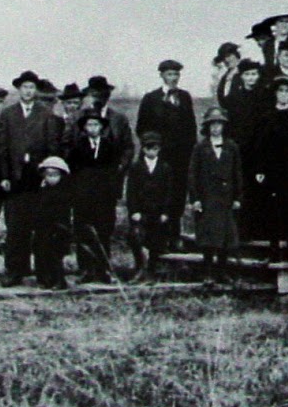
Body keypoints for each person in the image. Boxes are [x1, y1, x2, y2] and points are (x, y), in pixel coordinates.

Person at [0, 69, 63, 287]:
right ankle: (14, 271)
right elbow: (2, 149)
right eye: (24, 87)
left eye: (32, 87)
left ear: (36, 91)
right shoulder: (8, 114)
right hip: (16, 178)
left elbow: (53, 146)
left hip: (38, 178)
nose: (28, 91)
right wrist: (5, 176)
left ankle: (44, 273)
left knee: (43, 226)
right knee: (16, 227)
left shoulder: (46, 114)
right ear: (18, 90)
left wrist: (48, 173)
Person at [249, 76, 288, 264]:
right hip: (272, 169)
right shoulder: (266, 117)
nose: (284, 95)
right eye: (280, 91)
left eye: (287, 91)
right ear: (275, 94)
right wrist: (260, 168)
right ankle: (274, 249)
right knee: (272, 209)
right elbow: (259, 145)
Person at [135, 59, 198, 250]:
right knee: (156, 194)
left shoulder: (184, 97)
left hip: (180, 158)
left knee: (177, 194)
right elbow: (141, 128)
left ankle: (175, 236)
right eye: (169, 74)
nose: (173, 78)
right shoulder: (151, 98)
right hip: (159, 156)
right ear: (161, 75)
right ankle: (155, 241)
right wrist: (152, 147)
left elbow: (191, 127)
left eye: (176, 75)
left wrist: (189, 151)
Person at [187, 107, 243, 286]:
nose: (216, 128)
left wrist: (237, 198)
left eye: (219, 124)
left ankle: (222, 271)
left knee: (226, 238)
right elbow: (192, 174)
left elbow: (238, 174)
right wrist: (195, 199)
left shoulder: (232, 147)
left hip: (226, 198)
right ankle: (208, 273)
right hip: (207, 197)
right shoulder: (200, 147)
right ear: (208, 126)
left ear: (224, 126)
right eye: (213, 124)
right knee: (209, 237)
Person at [68, 109, 122, 283]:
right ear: (84, 128)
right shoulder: (78, 147)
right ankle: (85, 270)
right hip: (83, 198)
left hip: (104, 198)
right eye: (89, 124)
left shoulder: (110, 146)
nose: (92, 128)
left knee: (103, 232)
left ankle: (104, 269)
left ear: (101, 127)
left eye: (96, 124)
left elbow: (115, 173)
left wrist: (113, 194)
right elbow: (73, 173)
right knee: (84, 232)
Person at [125, 130, 175, 281]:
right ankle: (140, 267)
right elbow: (131, 191)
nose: (151, 151)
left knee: (156, 241)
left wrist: (165, 212)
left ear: (159, 149)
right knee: (136, 238)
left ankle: (152, 270)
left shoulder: (165, 168)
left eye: (155, 148)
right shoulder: (136, 167)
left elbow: (169, 192)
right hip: (141, 211)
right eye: (148, 148)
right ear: (143, 149)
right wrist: (134, 211)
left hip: (158, 212)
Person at [32, 156, 74, 290]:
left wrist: (62, 227)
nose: (51, 178)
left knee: (55, 255)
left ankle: (59, 280)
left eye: (55, 175)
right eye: (48, 175)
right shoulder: (41, 190)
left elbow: (64, 213)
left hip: (58, 229)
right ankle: (45, 279)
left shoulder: (63, 192)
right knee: (41, 252)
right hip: (43, 228)